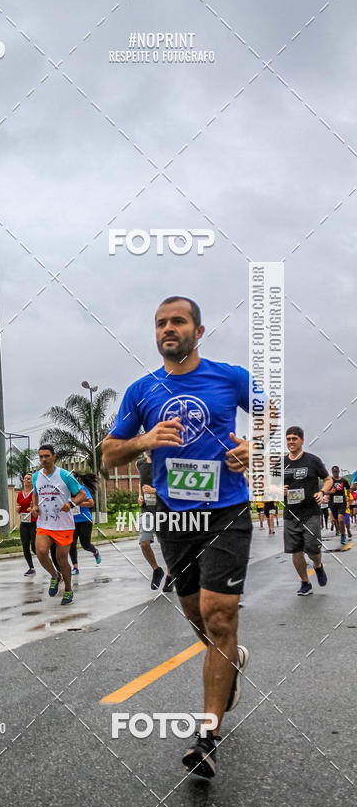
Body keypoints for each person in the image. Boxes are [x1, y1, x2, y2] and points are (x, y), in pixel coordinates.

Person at [103, 295, 271, 779]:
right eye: (160, 323)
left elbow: (269, 418)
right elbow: (109, 454)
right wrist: (144, 440)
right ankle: (231, 659)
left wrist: (252, 449)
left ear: (199, 331)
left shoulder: (230, 377)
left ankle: (207, 734)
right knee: (198, 617)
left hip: (226, 510)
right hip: (176, 520)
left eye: (177, 322)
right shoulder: (142, 390)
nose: (167, 329)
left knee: (220, 615)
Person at [31, 444, 86, 606]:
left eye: (47, 456)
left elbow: (81, 494)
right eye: (41, 456)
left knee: (61, 559)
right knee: (40, 551)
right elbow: (35, 493)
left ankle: (68, 589)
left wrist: (72, 503)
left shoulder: (65, 475)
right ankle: (55, 576)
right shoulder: (36, 476)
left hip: (64, 525)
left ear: (54, 457)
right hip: (45, 524)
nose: (43, 459)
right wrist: (34, 506)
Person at [283, 427, 333, 594]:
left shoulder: (313, 460)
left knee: (313, 549)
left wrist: (322, 492)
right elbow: (269, 485)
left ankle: (318, 565)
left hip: (310, 513)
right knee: (295, 551)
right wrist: (276, 489)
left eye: (294, 438)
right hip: (290, 514)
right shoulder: (280, 463)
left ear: (302, 440)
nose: (291, 441)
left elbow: (328, 479)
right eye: (288, 438)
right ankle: (305, 583)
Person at [136, 451, 173, 591]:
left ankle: (170, 576)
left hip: (164, 509)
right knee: (144, 543)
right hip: (147, 509)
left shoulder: (166, 463)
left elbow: (172, 486)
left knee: (166, 545)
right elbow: (141, 481)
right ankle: (157, 570)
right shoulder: (140, 463)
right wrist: (140, 495)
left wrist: (154, 490)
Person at [70, 472, 101, 573]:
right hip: (71, 522)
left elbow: (91, 503)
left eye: (73, 478)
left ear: (77, 479)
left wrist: (76, 502)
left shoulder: (82, 489)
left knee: (85, 545)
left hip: (84, 520)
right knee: (71, 545)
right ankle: (75, 567)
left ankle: (95, 551)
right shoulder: (66, 490)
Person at [17, 473, 37, 576]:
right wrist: (18, 509)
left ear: (32, 481)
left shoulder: (35, 493)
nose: (26, 480)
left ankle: (44, 559)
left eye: (29, 479)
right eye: (25, 478)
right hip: (24, 522)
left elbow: (38, 508)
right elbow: (18, 506)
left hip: (34, 522)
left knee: (34, 546)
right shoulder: (20, 494)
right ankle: (31, 568)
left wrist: (32, 508)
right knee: (25, 546)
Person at [328, 466, 351, 545]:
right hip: (332, 503)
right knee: (336, 520)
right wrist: (330, 492)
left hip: (341, 503)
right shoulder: (329, 481)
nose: (335, 473)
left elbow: (348, 488)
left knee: (341, 520)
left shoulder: (343, 480)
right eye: (334, 472)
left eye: (336, 471)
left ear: (338, 471)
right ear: (332, 472)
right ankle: (340, 531)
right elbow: (326, 491)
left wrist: (347, 496)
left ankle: (343, 535)